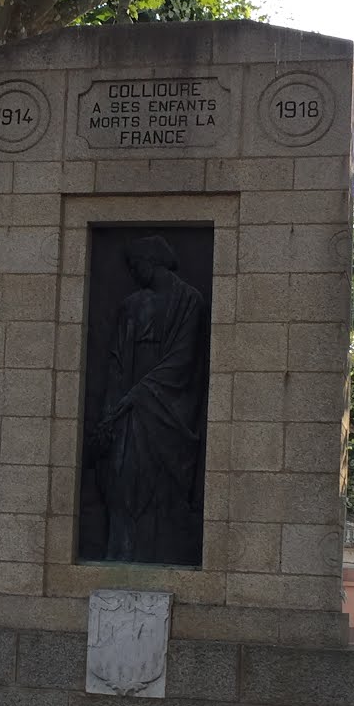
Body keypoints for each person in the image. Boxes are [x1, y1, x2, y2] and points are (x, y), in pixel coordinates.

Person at [94, 234, 209, 565]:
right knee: (122, 478)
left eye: (136, 266)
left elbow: (184, 361)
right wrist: (111, 410)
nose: (132, 272)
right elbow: (117, 361)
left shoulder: (190, 302)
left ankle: (159, 552)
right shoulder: (132, 305)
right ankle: (120, 552)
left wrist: (141, 393)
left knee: (161, 490)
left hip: (167, 408)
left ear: (152, 263)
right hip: (128, 412)